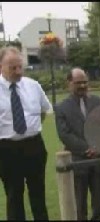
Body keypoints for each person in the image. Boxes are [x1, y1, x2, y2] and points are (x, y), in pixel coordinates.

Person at [0, 46, 52, 220]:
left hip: (34, 145)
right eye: (12, 68)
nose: (18, 71)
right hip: (7, 149)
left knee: (38, 193)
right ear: (1, 66)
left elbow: (44, 111)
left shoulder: (33, 86)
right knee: (14, 195)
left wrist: (31, 129)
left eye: (20, 66)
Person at [54, 68, 100, 220]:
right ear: (69, 84)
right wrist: (87, 149)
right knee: (80, 206)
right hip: (78, 162)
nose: (83, 86)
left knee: (99, 205)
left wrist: (98, 148)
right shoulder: (61, 108)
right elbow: (65, 135)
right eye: (78, 83)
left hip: (99, 161)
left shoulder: (99, 102)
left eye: (85, 82)